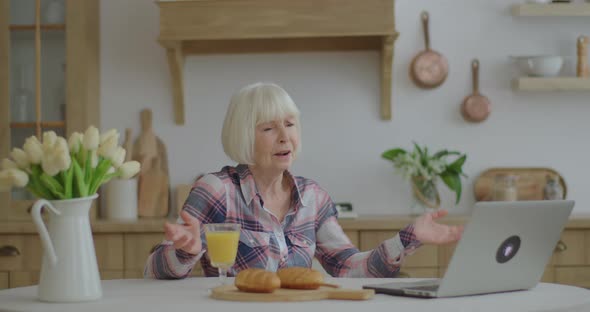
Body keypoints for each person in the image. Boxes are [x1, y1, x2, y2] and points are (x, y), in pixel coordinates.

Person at [145, 82, 463, 279]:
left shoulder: (313, 197)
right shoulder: (216, 190)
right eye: (269, 129)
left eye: (290, 124)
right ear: (243, 135)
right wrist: (185, 251)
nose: (285, 137)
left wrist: (408, 238)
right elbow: (152, 271)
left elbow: (349, 267)